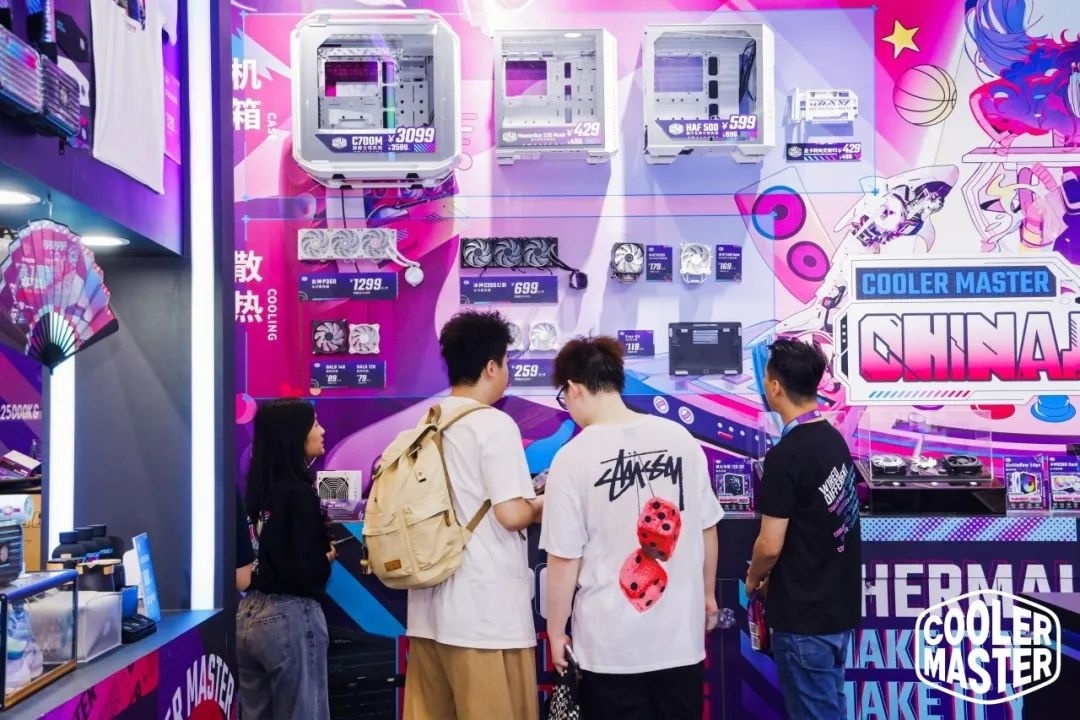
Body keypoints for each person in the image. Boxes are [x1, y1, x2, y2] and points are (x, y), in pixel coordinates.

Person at [540, 336, 723, 720]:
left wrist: (556, 633)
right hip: (680, 644)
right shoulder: (680, 438)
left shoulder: (571, 458)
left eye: (564, 397)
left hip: (608, 650)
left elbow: (564, 559)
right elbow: (707, 528)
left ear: (574, 388)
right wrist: (707, 595)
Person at [403, 310, 543, 720]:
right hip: (485, 615)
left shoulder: (426, 422)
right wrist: (544, 502)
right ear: (491, 366)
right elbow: (511, 514)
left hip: (427, 612)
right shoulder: (494, 425)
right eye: (507, 362)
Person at [746, 338, 862, 720]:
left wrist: (753, 579)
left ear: (775, 386)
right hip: (835, 610)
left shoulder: (786, 456)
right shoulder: (833, 439)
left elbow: (769, 544)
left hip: (804, 618)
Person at [236, 399, 337, 720]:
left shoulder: (257, 492)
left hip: (248, 614)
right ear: (295, 435)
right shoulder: (299, 494)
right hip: (291, 618)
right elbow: (304, 571)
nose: (322, 430)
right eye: (315, 423)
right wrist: (324, 557)